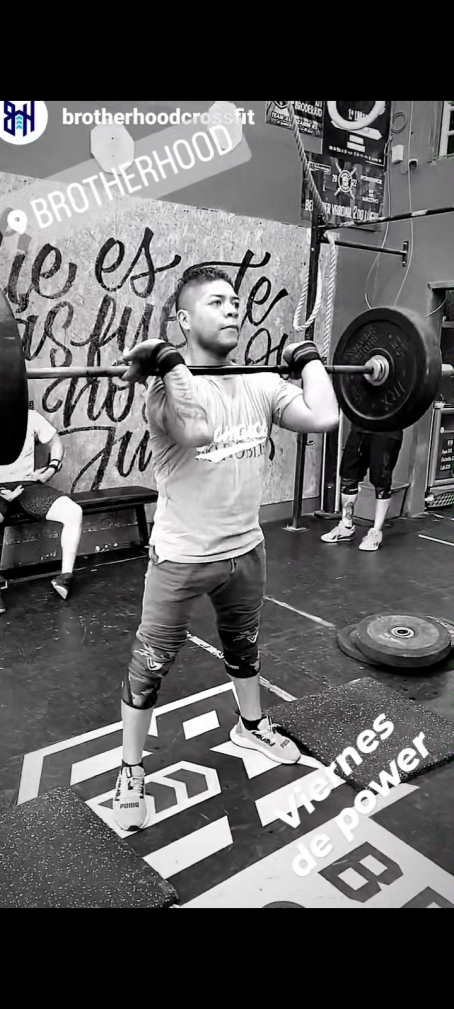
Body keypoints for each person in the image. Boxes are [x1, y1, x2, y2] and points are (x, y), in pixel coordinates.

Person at [113, 265, 339, 831]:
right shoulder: (163, 390)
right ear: (184, 319)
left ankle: (251, 726)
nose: (233, 308)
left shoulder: (261, 383)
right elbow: (198, 432)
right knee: (150, 665)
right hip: (181, 557)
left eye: (236, 300)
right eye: (216, 302)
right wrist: (170, 364)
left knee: (244, 647)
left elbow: (324, 416)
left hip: (246, 550)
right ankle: (131, 767)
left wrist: (309, 358)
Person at [0, 408, 83, 613]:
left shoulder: (28, 415)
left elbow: (55, 442)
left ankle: (65, 577)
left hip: (26, 485)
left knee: (73, 512)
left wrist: (50, 469)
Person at [321, 424, 404, 551]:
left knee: (381, 478)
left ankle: (376, 532)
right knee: (348, 474)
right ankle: (346, 527)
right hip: (361, 426)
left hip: (387, 430)